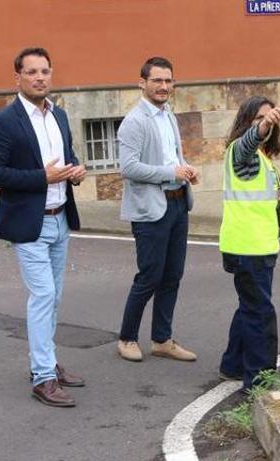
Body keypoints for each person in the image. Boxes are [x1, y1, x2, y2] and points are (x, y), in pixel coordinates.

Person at [0, 47, 87, 408]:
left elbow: (67, 158)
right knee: (42, 296)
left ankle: (48, 362)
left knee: (53, 297)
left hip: (60, 219)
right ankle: (42, 377)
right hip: (29, 224)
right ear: (18, 78)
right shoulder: (5, 121)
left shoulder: (60, 116)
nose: (40, 77)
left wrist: (75, 171)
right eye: (32, 72)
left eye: (45, 71)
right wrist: (43, 177)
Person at [114, 56, 199, 364]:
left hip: (178, 203)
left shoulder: (168, 116)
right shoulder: (134, 121)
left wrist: (186, 170)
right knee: (150, 276)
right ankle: (126, 338)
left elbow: (171, 157)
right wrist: (170, 173)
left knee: (173, 275)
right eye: (157, 81)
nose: (164, 86)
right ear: (143, 83)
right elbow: (129, 168)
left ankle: (162, 339)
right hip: (150, 210)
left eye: (168, 81)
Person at [218, 96, 280, 395]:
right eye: (258, 118)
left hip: (257, 246)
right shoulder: (242, 153)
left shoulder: (263, 159)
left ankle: (232, 365)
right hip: (249, 248)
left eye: (269, 117)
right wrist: (263, 126)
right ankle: (259, 381)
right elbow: (248, 143)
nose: (265, 122)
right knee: (260, 313)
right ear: (247, 123)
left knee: (249, 307)